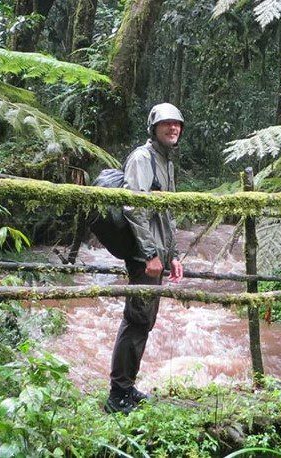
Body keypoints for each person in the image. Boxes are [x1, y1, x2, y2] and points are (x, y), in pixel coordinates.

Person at [105, 103, 186, 414]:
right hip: (145, 254)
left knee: (144, 321)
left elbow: (168, 213)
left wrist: (173, 255)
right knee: (136, 319)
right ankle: (117, 394)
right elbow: (134, 208)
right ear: (153, 127)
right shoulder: (143, 158)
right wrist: (150, 255)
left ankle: (127, 388)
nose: (173, 128)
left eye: (177, 124)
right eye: (166, 124)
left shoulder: (167, 162)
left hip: (158, 254)